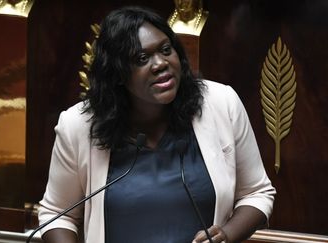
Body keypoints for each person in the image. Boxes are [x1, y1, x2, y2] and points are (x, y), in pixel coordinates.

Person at [38, 6, 275, 243]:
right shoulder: (78, 125)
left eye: (165, 49)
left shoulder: (221, 103)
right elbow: (58, 215)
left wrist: (227, 234)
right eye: (142, 58)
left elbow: (256, 193)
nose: (160, 63)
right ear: (117, 73)